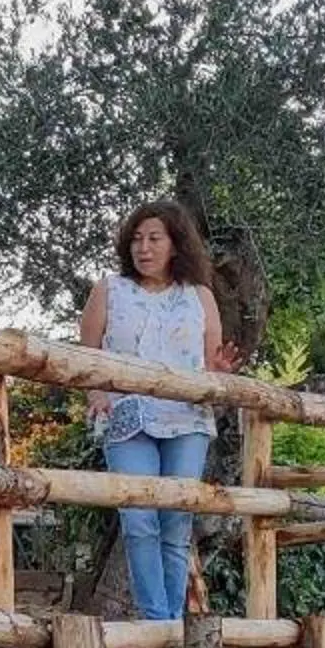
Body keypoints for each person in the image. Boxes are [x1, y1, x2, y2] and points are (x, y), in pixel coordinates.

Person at [78, 201, 236, 622]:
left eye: (154, 239)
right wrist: (96, 393)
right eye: (136, 239)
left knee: (176, 524)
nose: (143, 248)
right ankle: (157, 622)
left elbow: (211, 363)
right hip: (128, 415)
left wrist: (218, 373)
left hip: (187, 419)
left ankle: (175, 627)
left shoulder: (199, 297)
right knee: (138, 520)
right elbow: (86, 353)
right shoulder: (109, 289)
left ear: (175, 244)